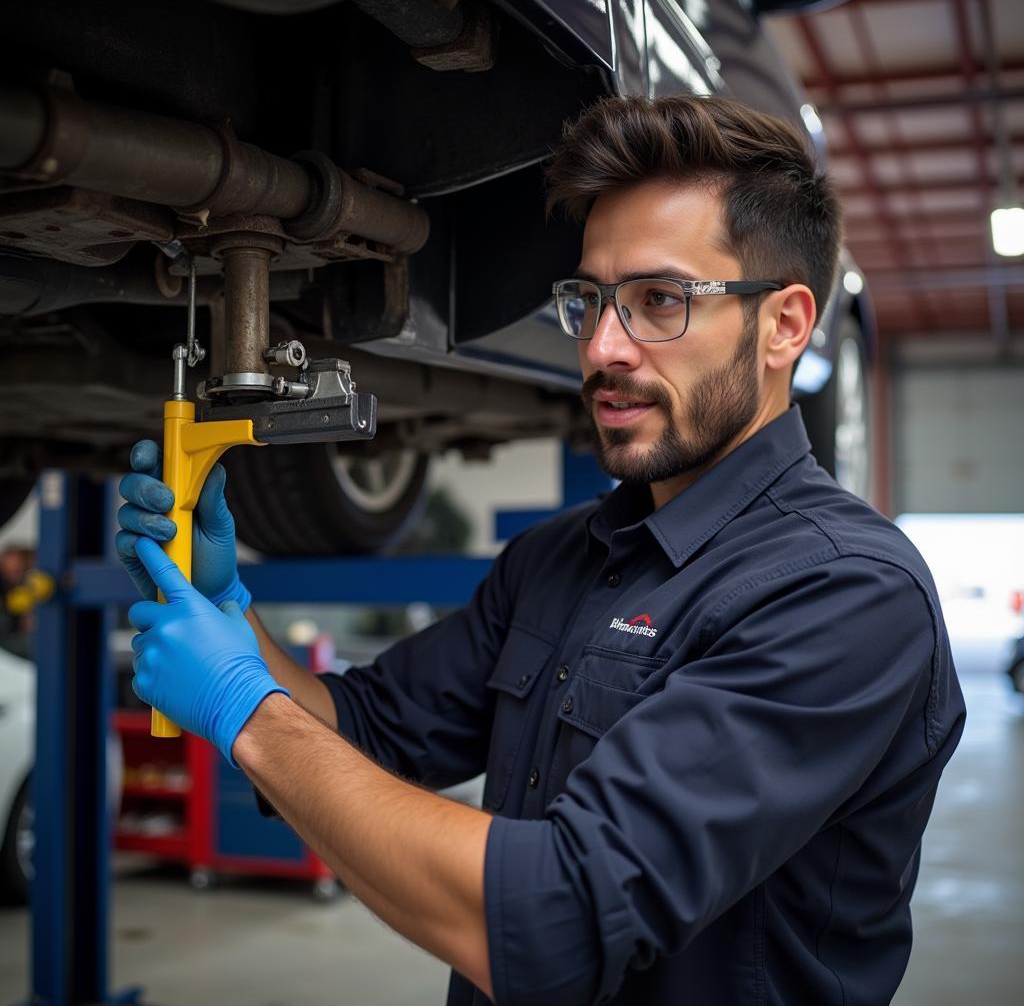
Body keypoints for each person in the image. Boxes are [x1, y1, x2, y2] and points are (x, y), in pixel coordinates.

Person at [117, 95, 965, 1006]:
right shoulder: (560, 557)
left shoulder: (845, 595)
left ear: (786, 325)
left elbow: (556, 919)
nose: (603, 348)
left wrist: (245, 708)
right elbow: (366, 731)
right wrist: (233, 623)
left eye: (659, 301)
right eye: (590, 300)